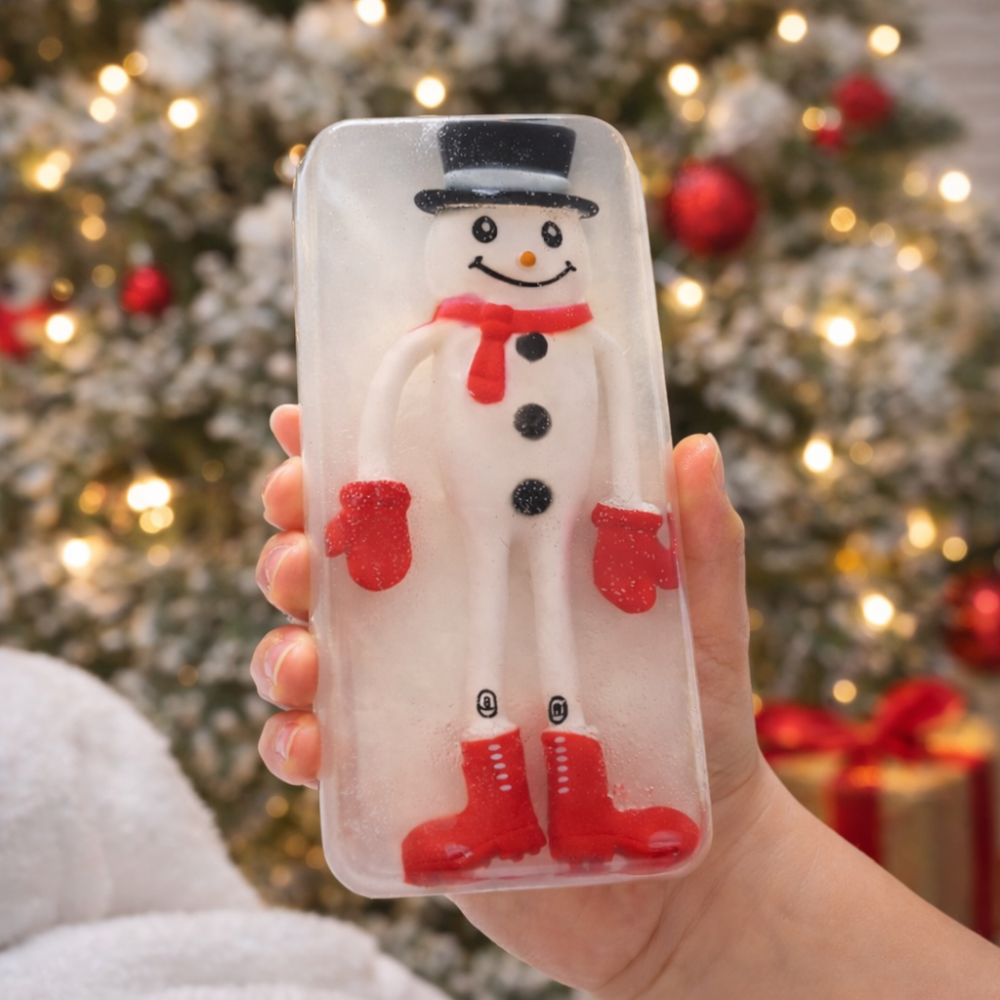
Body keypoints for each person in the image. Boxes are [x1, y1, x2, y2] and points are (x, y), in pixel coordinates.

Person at [253, 403, 1000, 999]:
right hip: (475, 509)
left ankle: (584, 810)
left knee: (557, 631)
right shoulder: (448, 344)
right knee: (483, 618)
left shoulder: (587, 341)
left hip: (564, 509)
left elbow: (614, 399)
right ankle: (496, 805)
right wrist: (378, 491)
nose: (523, 259)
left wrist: (631, 516)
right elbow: (385, 390)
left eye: (550, 233)